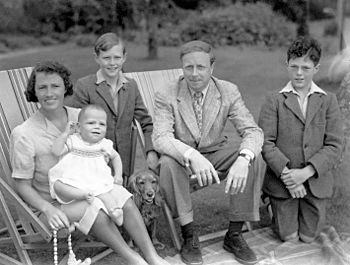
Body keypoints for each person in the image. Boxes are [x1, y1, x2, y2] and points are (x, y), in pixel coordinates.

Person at [10, 61, 170, 265]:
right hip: (52, 205)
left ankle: (153, 257)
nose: (49, 93)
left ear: (65, 87)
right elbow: (21, 184)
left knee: (123, 196)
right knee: (94, 205)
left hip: (89, 188)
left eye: (55, 86)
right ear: (34, 91)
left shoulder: (81, 118)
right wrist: (48, 209)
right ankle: (134, 259)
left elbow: (100, 151)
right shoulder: (24, 133)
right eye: (42, 87)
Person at [152, 40, 264, 265]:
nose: (194, 74)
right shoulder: (167, 92)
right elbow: (161, 137)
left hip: (216, 152)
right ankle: (189, 234)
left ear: (212, 67)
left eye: (200, 67)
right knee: (166, 164)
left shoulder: (228, 90)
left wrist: (243, 159)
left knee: (254, 158)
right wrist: (192, 156)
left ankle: (234, 234)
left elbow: (253, 131)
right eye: (188, 67)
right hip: (183, 158)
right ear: (181, 68)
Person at [258, 37, 343, 244]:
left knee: (308, 237)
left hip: (314, 181)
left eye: (305, 68)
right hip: (283, 181)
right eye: (293, 66)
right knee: (288, 237)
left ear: (316, 68)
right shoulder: (274, 100)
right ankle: (272, 203)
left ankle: (300, 210)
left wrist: (306, 173)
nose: (298, 73)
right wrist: (288, 177)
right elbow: (266, 142)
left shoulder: (328, 101)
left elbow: (334, 145)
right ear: (287, 65)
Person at [69, 32, 158, 177]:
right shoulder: (84, 86)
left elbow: (147, 123)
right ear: (97, 58)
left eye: (117, 57)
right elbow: (77, 128)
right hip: (94, 163)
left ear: (124, 58)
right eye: (106, 58)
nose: (112, 63)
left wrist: (151, 151)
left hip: (124, 164)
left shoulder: (131, 86)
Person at [49, 104, 126, 226]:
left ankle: (115, 211)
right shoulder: (73, 140)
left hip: (96, 180)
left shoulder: (104, 144)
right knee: (58, 185)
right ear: (79, 127)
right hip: (74, 180)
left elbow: (116, 157)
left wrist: (118, 175)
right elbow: (56, 151)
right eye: (91, 123)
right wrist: (65, 133)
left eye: (102, 124)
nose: (97, 127)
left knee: (105, 194)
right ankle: (82, 195)